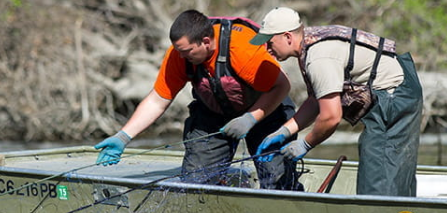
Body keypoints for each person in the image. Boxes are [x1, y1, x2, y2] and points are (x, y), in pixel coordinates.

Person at [94, 9, 302, 190]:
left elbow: (281, 86)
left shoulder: (242, 49)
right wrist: (123, 136)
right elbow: (158, 100)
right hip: (213, 115)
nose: (181, 57)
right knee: (195, 184)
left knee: (277, 180)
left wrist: (250, 119)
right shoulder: (180, 54)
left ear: (205, 42)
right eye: (179, 51)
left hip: (267, 112)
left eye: (187, 52)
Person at [251, 7, 423, 196]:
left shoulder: (318, 58)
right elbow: (316, 100)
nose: (267, 49)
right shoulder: (309, 44)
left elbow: (331, 117)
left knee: (379, 171)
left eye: (270, 42)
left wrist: (304, 144)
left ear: (288, 37)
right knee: (391, 167)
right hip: (396, 91)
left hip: (394, 96)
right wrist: (284, 132)